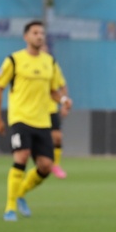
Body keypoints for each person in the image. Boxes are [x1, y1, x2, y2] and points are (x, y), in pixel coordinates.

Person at [0, 21, 72, 221]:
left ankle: (20, 193)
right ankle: (9, 208)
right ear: (26, 37)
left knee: (45, 166)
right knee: (21, 156)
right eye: (35, 32)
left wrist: (63, 100)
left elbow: (53, 91)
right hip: (20, 118)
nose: (39, 36)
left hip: (42, 120)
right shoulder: (14, 60)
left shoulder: (49, 62)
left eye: (42, 33)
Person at [42, 42, 69, 179]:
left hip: (51, 108)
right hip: (33, 111)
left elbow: (62, 85)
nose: (44, 49)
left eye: (46, 47)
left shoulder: (52, 65)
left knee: (57, 137)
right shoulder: (25, 63)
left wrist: (64, 103)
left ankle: (56, 165)